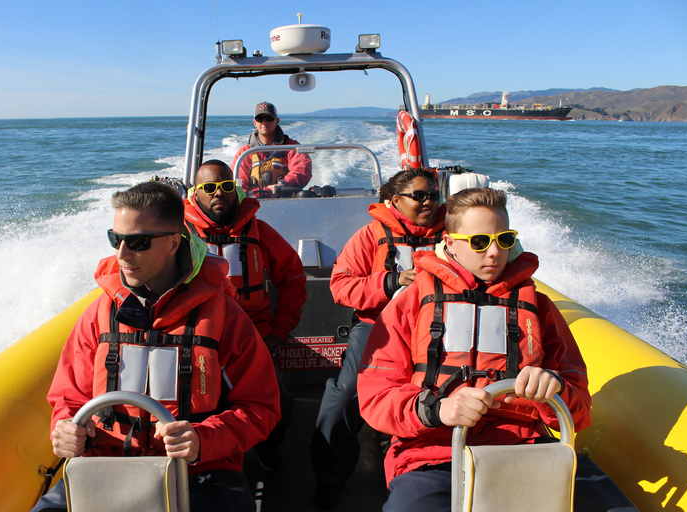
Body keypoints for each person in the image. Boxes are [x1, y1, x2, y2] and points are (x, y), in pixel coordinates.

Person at [357, 187, 637, 511]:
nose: (494, 252)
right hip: (433, 456)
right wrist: (438, 409)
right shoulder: (409, 304)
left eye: (503, 240)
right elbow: (377, 395)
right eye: (479, 242)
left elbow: (579, 407)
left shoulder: (540, 308)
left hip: (529, 447)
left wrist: (552, 389)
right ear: (450, 243)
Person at [31, 181, 281, 512]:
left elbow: (261, 407)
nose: (121, 254)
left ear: (174, 242)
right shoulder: (98, 315)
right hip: (104, 467)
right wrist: (65, 426)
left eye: (137, 242)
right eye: (116, 239)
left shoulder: (224, 316)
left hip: (197, 472)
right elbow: (68, 397)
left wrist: (202, 440)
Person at [310, 168, 446, 509]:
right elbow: (340, 286)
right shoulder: (371, 235)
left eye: (433, 195)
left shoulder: (454, 232)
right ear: (395, 201)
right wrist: (393, 281)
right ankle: (330, 478)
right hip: (379, 327)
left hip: (439, 329)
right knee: (343, 398)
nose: (428, 201)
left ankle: (425, 473)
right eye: (419, 196)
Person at [183, 159, 307, 470]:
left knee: (281, 404)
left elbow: (292, 277)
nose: (219, 194)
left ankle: (268, 451)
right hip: (196, 338)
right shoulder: (179, 238)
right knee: (200, 405)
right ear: (194, 194)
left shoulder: (260, 232)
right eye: (209, 188)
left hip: (255, 336)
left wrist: (279, 330)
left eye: (226, 187)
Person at [231, 101, 312, 195]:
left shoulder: (291, 147)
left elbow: (302, 170)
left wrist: (283, 184)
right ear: (254, 122)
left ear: (276, 121)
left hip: (286, 202)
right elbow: (239, 182)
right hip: (254, 203)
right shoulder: (245, 152)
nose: (264, 122)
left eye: (269, 118)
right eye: (260, 118)